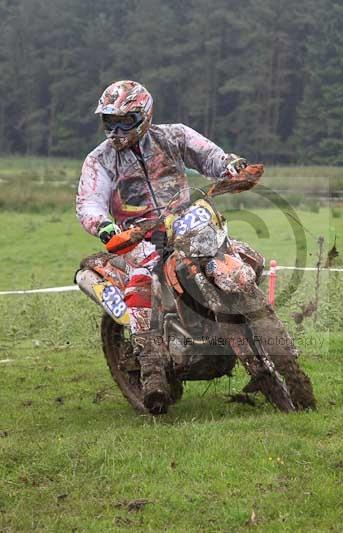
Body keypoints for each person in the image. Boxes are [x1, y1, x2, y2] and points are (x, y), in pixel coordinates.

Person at [73, 80, 248, 412]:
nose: (117, 129)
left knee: (236, 251)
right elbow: (89, 201)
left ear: (144, 115)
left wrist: (229, 166)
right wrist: (104, 226)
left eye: (125, 120)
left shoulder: (174, 136)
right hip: (136, 235)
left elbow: (208, 156)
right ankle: (153, 373)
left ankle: (246, 321)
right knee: (145, 282)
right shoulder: (100, 160)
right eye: (110, 122)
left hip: (184, 222)